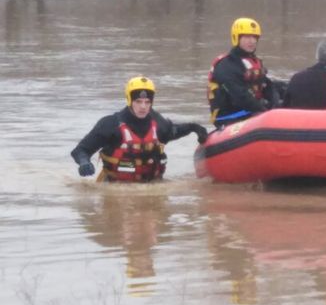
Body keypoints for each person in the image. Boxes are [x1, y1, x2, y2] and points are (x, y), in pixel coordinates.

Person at [71, 76, 208, 182]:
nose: (143, 107)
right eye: (138, 101)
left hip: (151, 186)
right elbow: (80, 150)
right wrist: (84, 162)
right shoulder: (110, 124)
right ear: (129, 100)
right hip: (116, 187)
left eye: (147, 102)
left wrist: (194, 127)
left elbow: (173, 131)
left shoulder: (158, 123)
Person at [207, 17, 278, 128]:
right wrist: (266, 112)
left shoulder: (255, 61)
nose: (252, 41)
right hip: (230, 116)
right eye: (247, 37)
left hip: (252, 112)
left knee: (282, 88)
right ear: (237, 38)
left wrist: (275, 104)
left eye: (255, 37)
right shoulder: (225, 65)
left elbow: (267, 85)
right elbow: (240, 96)